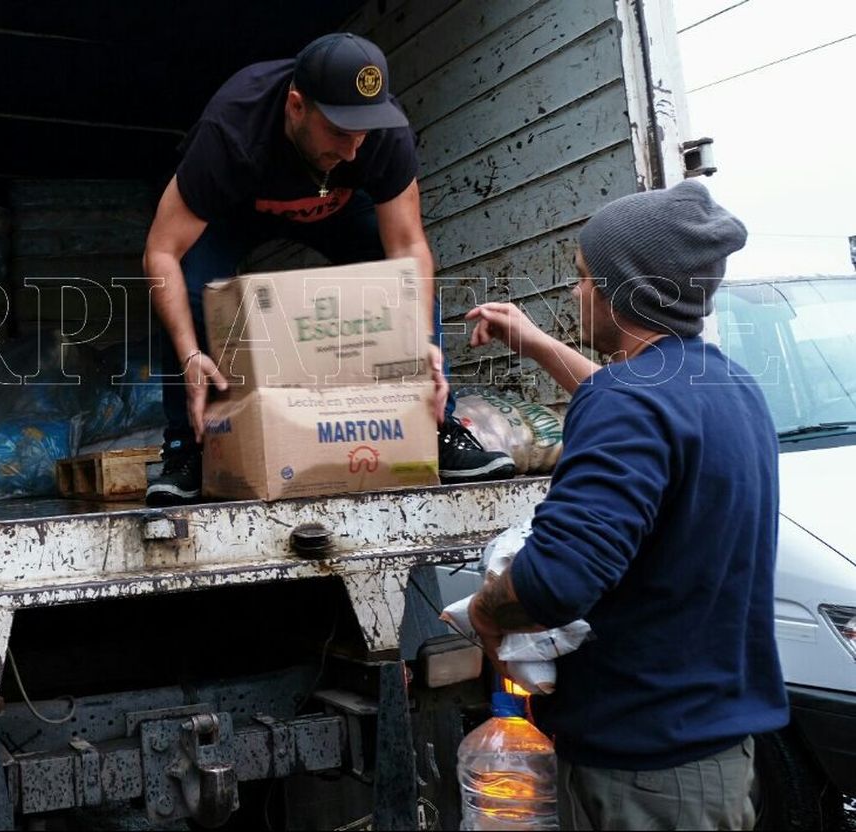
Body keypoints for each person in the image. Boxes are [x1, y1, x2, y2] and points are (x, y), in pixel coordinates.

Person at [462, 179, 788, 831]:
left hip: (648, 775)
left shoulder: (632, 403)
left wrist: (484, 609)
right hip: (707, 754)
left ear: (624, 292)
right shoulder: (727, 385)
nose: (575, 293)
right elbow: (637, 407)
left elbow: (556, 583)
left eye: (584, 278)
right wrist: (537, 345)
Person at [141, 31, 516, 505]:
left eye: (362, 135)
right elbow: (161, 252)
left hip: (335, 209)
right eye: (339, 132)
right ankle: (185, 447)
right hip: (235, 209)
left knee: (399, 283)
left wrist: (421, 343)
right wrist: (191, 357)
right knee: (192, 290)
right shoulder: (233, 128)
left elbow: (408, 245)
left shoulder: (385, 134)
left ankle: (435, 429)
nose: (353, 151)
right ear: (296, 106)